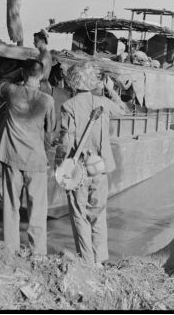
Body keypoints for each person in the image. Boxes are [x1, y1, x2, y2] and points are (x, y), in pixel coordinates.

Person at [53, 61, 125, 266]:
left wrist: (60, 166)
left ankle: (86, 261)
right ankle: (100, 261)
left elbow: (66, 141)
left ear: (73, 84)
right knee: (98, 214)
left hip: (80, 170)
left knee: (79, 214)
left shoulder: (69, 106)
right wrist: (112, 91)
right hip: (100, 168)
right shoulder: (103, 103)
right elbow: (123, 110)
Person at [0, 59, 56, 256]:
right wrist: (46, 152)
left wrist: (17, 73)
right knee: (37, 210)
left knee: (10, 206)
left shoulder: (12, 92)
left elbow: (1, 82)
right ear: (40, 76)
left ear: (23, 73)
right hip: (36, 159)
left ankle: (10, 251)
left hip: (12, 155)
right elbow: (50, 133)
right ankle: (38, 253)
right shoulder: (47, 100)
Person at [33, 30, 52, 95]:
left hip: (42, 87)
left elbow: (40, 74)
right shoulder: (41, 55)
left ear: (43, 41)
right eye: (34, 41)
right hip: (40, 84)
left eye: (36, 41)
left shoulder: (45, 56)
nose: (34, 43)